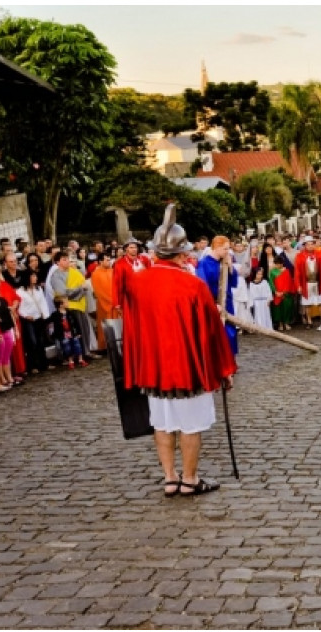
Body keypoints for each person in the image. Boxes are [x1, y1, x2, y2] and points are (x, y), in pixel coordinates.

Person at [122, 205, 236, 497]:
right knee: (190, 426)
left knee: (162, 423)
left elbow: (132, 327)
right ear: (182, 254)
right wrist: (225, 369)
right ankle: (190, 479)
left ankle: (170, 478)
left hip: (153, 368)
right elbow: (212, 333)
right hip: (187, 369)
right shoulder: (192, 285)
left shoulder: (136, 283)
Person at [195, 236, 238, 354]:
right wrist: (213, 303)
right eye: (225, 249)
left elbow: (234, 283)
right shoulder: (203, 263)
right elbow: (203, 286)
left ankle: (230, 363)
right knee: (216, 334)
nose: (227, 252)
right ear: (217, 247)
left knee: (230, 334)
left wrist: (230, 267)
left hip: (227, 302)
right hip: (212, 303)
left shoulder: (225, 262)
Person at [16, 270, 50, 374]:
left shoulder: (38, 289)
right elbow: (19, 307)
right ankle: (33, 365)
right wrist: (26, 315)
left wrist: (45, 314)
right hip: (28, 320)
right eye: (33, 276)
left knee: (40, 341)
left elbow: (43, 302)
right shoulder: (20, 292)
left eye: (35, 275)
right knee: (32, 342)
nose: (35, 277)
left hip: (39, 317)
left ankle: (43, 364)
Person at [48, 297, 87, 370]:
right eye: (66, 302)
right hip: (63, 334)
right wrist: (54, 334)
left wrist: (78, 332)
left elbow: (76, 323)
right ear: (61, 305)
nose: (68, 303)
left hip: (73, 332)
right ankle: (70, 361)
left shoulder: (70, 313)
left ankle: (80, 359)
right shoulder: (55, 315)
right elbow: (50, 324)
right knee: (67, 348)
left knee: (77, 345)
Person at [90, 253, 115, 355]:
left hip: (115, 304)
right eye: (106, 260)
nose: (108, 261)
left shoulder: (113, 271)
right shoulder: (96, 274)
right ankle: (104, 346)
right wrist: (110, 301)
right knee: (105, 325)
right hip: (104, 304)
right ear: (100, 261)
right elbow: (99, 291)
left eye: (109, 259)